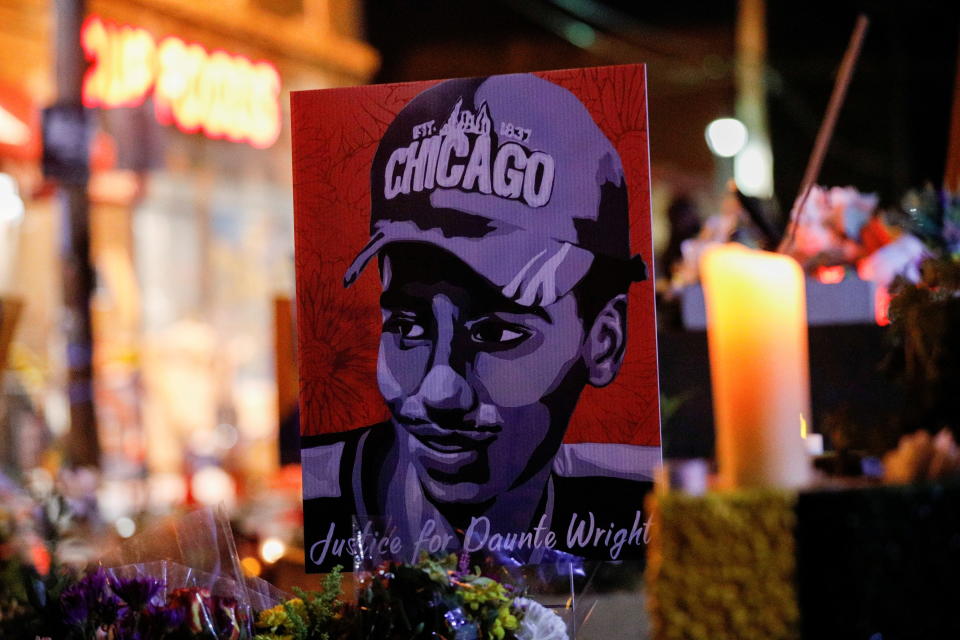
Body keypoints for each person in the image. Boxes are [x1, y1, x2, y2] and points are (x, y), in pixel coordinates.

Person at [301, 73, 657, 569]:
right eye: (407, 326)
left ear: (603, 340)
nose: (441, 390)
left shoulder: (645, 512)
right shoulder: (312, 518)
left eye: (496, 332)